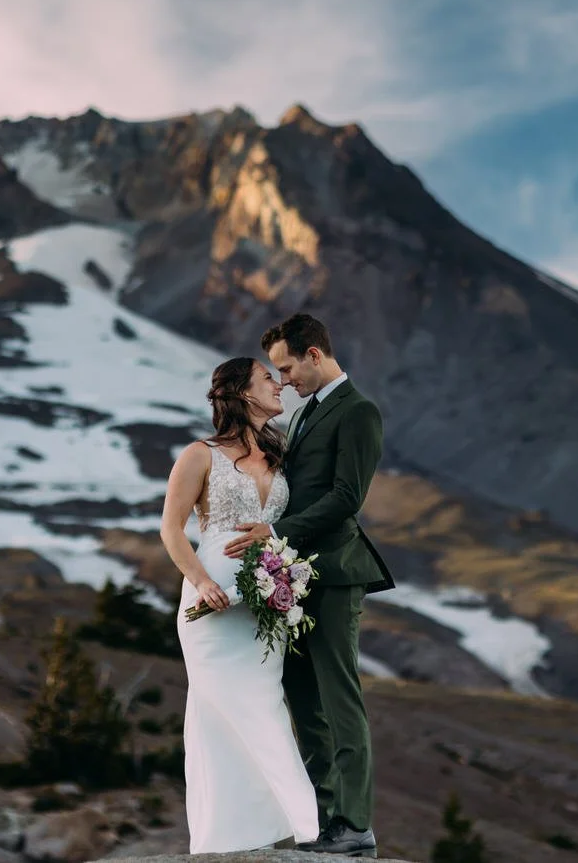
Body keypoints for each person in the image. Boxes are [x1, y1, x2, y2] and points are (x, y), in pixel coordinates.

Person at [225, 312, 394, 858]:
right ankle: (327, 821)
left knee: (340, 699)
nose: (284, 380)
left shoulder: (359, 411)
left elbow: (347, 497)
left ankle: (356, 824)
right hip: (293, 579)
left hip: (337, 573)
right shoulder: (304, 413)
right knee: (302, 700)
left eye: (287, 368)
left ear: (314, 355)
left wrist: (275, 533)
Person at [160, 356, 319, 854]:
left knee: (257, 705)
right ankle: (306, 826)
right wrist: (202, 582)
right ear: (244, 392)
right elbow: (171, 529)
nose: (279, 384)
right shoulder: (200, 455)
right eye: (268, 378)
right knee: (234, 710)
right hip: (212, 607)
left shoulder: (279, 453)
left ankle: (246, 835)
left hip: (266, 605)